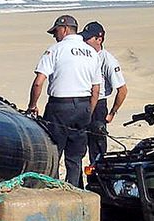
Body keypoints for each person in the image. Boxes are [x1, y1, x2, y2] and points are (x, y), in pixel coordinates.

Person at [27, 15, 101, 188]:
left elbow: (39, 81)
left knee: (53, 152)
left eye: (56, 31)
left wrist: (32, 105)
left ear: (65, 29)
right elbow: (95, 89)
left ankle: (51, 189)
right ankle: (73, 190)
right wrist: (88, 111)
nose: (54, 35)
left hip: (60, 106)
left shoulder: (56, 49)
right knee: (75, 157)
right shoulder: (91, 52)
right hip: (83, 106)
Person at [80, 21, 128, 162]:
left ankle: (98, 180)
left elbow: (123, 90)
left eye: (87, 38)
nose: (84, 41)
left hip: (99, 106)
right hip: (83, 103)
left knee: (97, 148)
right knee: (79, 146)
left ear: (99, 40)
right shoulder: (85, 56)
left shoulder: (108, 60)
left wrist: (112, 113)